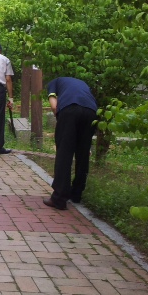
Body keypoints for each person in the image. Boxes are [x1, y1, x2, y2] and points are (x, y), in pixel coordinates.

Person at [44, 77, 98, 210]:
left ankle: (59, 199)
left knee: (64, 154)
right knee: (83, 154)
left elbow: (54, 106)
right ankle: (76, 194)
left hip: (69, 110)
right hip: (91, 112)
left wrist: (61, 121)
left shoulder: (53, 82)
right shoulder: (83, 83)